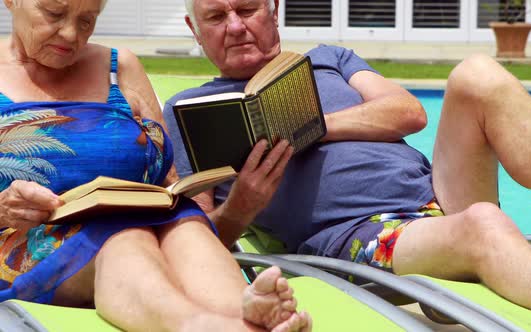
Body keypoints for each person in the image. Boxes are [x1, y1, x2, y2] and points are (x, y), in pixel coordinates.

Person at [164, 0, 531, 327]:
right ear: (194, 30)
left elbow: (408, 111)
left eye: (247, 8)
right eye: (216, 17)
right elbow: (198, 243)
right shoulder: (192, 111)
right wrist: (241, 207)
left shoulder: (329, 58)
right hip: (357, 237)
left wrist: (309, 127)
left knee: (479, 74)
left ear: (274, 10)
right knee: (482, 224)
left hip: (439, 199)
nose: (236, 26)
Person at [0, 0, 312, 331]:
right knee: (126, 234)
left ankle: (244, 315)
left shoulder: (119, 67)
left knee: (184, 225)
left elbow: (168, 178)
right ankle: (201, 326)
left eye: (87, 21)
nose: (70, 34)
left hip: (144, 219)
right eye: (54, 14)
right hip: (27, 238)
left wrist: (177, 192)